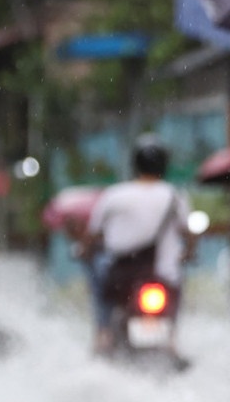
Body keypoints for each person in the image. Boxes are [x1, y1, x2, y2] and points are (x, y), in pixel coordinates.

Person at [82, 135, 195, 355]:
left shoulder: (113, 195)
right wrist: (188, 253)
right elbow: (189, 236)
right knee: (177, 284)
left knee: (98, 279)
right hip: (163, 277)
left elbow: (91, 235)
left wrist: (85, 251)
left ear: (134, 164)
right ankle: (171, 338)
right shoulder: (174, 195)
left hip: (121, 279)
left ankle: (103, 334)